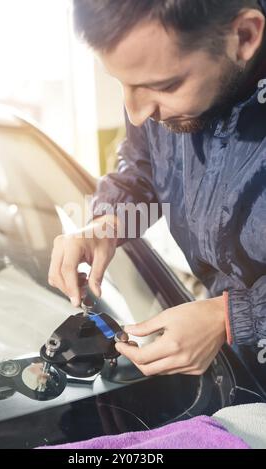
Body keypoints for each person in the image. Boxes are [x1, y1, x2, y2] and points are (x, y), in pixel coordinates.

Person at [48, 0, 266, 386]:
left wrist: (230, 317)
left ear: (244, 36)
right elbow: (145, 169)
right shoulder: (159, 97)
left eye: (163, 86)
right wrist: (110, 222)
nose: (135, 113)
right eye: (122, 84)